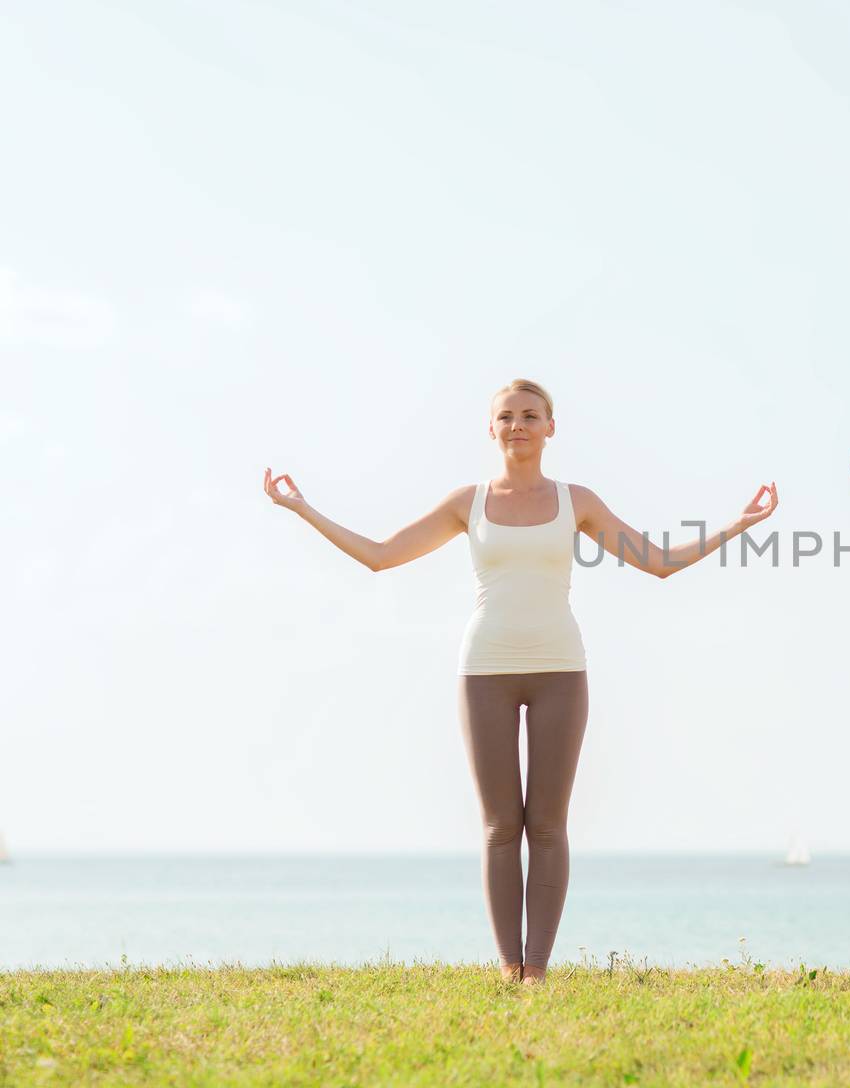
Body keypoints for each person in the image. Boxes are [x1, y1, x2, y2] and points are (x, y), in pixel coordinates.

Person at [264, 379, 778, 983]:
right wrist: (302, 509)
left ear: (551, 427)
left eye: (531, 416)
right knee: (500, 825)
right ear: (491, 428)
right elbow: (380, 555)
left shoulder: (576, 501)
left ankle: (537, 973)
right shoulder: (468, 503)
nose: (518, 426)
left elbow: (656, 562)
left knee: (549, 824)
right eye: (506, 417)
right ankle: (510, 969)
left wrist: (741, 523)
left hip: (561, 668)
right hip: (484, 670)